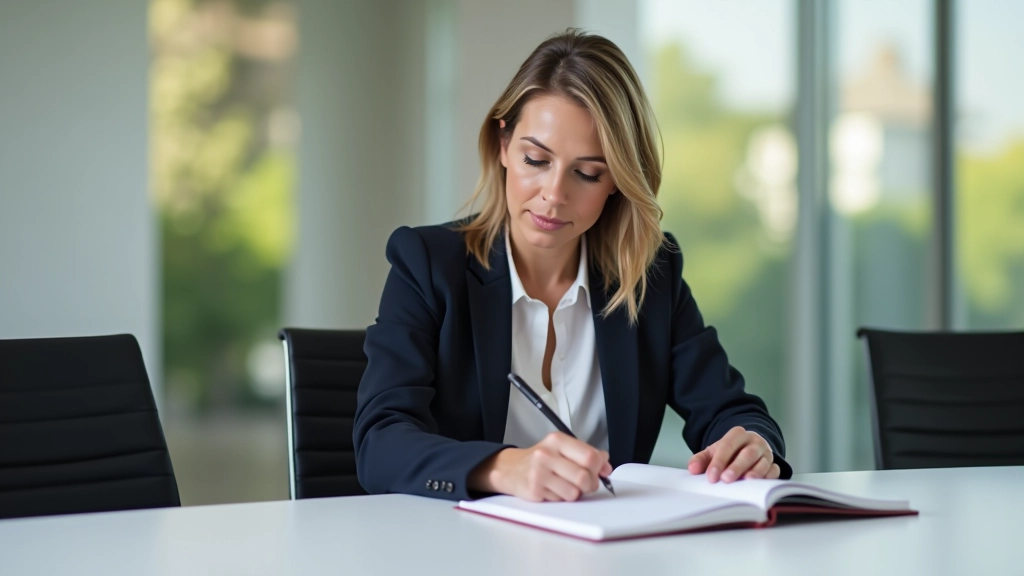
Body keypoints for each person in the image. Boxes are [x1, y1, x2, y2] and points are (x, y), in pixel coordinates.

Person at [353, 29, 791, 503]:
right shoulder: (428, 264)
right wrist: (504, 467)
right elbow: (380, 443)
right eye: (535, 159)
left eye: (587, 173)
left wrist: (752, 443)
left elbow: (730, 409)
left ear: (618, 181)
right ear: (503, 146)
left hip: (607, 550)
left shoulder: (650, 275)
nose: (554, 194)